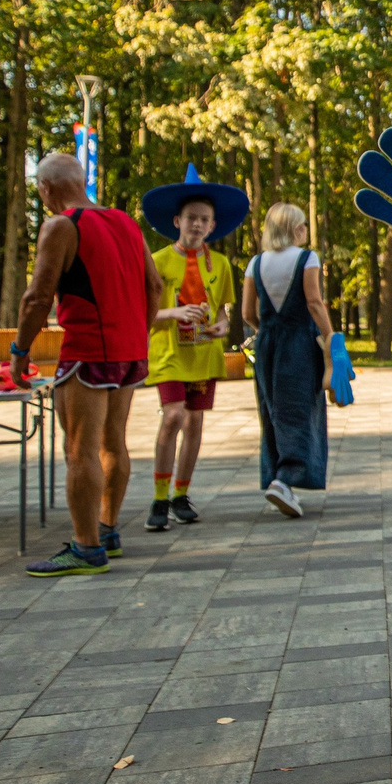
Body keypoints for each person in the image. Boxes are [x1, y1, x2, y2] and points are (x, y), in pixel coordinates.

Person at [13, 151, 163, 576]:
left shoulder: (61, 226)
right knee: (112, 443)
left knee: (80, 450)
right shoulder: (126, 223)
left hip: (87, 353)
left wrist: (20, 353)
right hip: (128, 350)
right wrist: (138, 332)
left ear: (46, 189)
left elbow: (37, 298)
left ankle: (86, 547)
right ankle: (108, 529)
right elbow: (153, 285)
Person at [140, 165, 248, 530]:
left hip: (204, 353)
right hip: (169, 353)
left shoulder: (220, 264)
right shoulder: (157, 261)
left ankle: (180, 494)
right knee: (173, 417)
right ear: (177, 221)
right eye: (191, 218)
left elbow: (222, 313)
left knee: (196, 422)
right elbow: (143, 314)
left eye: (204, 219)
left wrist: (220, 327)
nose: (197, 225)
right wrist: (172, 311)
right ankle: (158, 496)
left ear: (213, 225)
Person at [241, 203, 334, 519]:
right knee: (299, 406)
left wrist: (267, 330)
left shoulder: (255, 263)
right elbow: (313, 301)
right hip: (299, 341)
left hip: (268, 343)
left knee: (272, 409)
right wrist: (331, 338)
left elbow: (247, 314)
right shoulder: (307, 258)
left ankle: (280, 481)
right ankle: (285, 479)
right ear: (296, 229)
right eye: (304, 225)